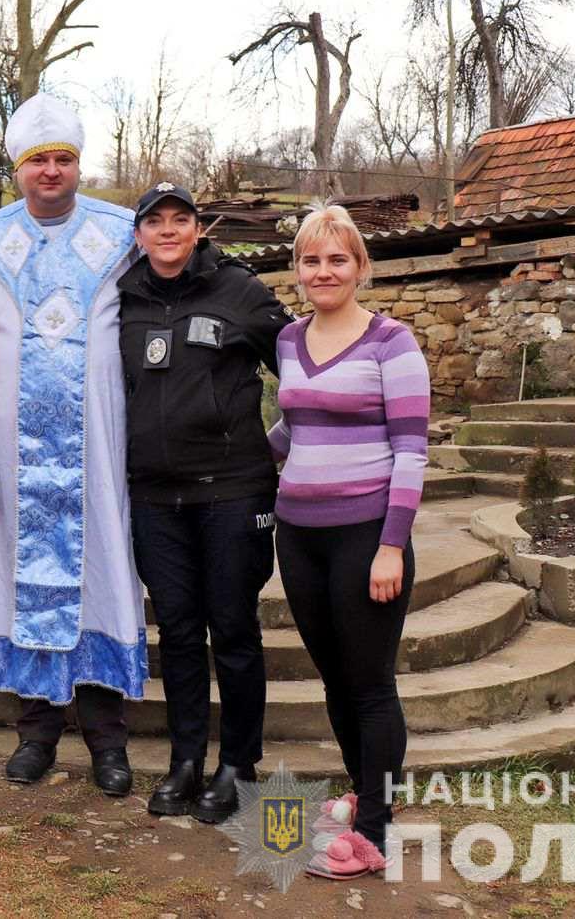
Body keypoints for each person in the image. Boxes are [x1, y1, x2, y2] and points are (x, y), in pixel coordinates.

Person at [0, 93, 147, 797]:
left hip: (100, 443)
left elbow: (187, 281)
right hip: (15, 448)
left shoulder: (124, 232)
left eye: (63, 159)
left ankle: (107, 740)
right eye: (38, 161)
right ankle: (36, 734)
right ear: (18, 168)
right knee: (22, 577)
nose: (51, 172)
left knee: (100, 574)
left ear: (79, 164)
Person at [116, 181, 292, 823]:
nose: (167, 230)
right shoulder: (123, 299)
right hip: (157, 498)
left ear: (197, 229)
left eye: (179, 219)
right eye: (154, 221)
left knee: (234, 629)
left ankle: (238, 764)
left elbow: (301, 373)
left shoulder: (240, 290)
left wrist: (292, 444)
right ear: (139, 234)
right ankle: (186, 760)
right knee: (181, 633)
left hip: (232, 492)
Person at [266, 204, 428, 879]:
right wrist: (222, 455)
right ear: (298, 271)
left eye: (337, 259)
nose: (323, 271)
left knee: (369, 684)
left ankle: (374, 835)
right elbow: (290, 431)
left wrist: (392, 544)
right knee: (334, 677)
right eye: (311, 260)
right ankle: (365, 793)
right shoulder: (286, 341)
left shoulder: (393, 343)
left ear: (360, 267)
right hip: (299, 535)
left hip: (366, 536)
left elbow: (411, 450)